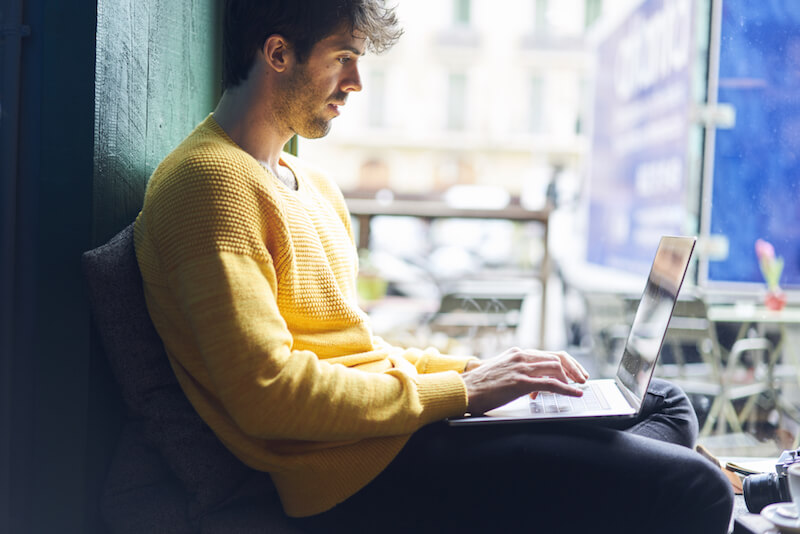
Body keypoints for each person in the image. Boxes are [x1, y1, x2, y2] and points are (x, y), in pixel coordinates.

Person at [133, 1, 734, 532]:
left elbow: (359, 347)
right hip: (356, 476)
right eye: (344, 57)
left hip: (402, 430)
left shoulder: (310, 183)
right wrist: (463, 391)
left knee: (665, 406)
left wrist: (488, 370)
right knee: (698, 488)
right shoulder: (210, 183)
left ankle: (584, 495)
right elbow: (268, 395)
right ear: (278, 53)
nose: (357, 82)